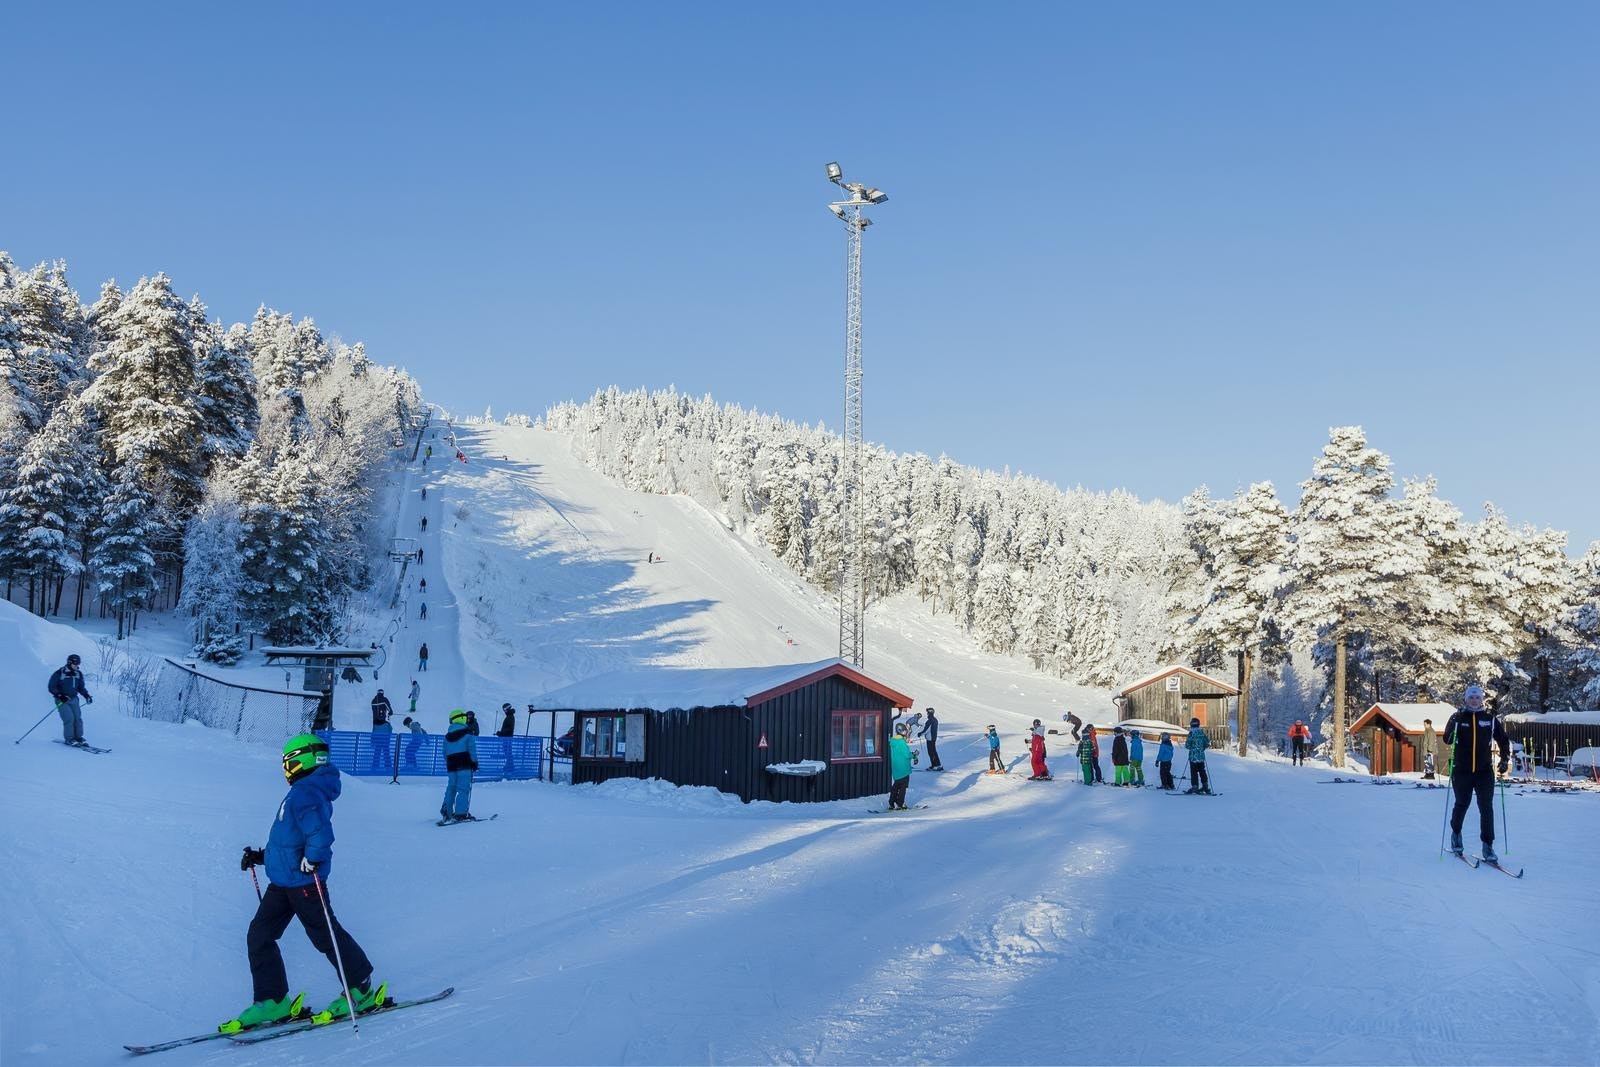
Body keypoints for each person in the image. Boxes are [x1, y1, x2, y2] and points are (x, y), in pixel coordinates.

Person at [225, 735, 384, 1033]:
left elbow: (321, 834)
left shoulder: (307, 792)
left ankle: (360, 989)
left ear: (307, 759)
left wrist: (313, 858)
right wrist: (261, 857)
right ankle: (273, 1000)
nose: (286, 768)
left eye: (290, 761)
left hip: (305, 882)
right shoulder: (302, 791)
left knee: (326, 936)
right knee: (259, 934)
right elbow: (289, 839)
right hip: (284, 881)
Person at [1444, 684, 1509, 860]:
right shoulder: (1458, 717)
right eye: (1471, 697)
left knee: (1486, 808)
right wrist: (1453, 722)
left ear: (1482, 700)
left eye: (1477, 697)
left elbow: (1503, 741)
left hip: (1484, 772)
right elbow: (1447, 740)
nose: (1474, 700)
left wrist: (1504, 760)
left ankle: (1488, 846)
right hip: (1462, 771)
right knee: (1462, 804)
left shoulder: (1489, 719)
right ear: (1466, 699)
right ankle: (1456, 834)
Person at [47, 653, 94, 746]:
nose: (77, 666)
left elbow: (81, 687)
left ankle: (78, 737)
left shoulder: (78, 674)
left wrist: (87, 696)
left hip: (74, 699)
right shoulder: (59, 673)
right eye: (75, 664)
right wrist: (60, 696)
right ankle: (69, 739)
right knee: (69, 718)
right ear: (69, 663)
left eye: (78, 664)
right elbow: (51, 687)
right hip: (62, 700)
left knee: (77, 718)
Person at [441, 710, 479, 821]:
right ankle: (461, 813)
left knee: (451, 787)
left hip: (451, 766)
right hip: (465, 766)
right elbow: (472, 750)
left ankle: (446, 811)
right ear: (462, 718)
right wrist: (475, 763)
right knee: (463, 789)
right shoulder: (468, 734)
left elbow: (444, 753)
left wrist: (449, 762)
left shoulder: (447, 737)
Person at [887, 723, 914, 810]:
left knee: (896, 785)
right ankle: (900, 803)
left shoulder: (893, 741)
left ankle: (892, 802)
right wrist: (913, 754)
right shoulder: (901, 742)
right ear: (901, 732)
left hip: (896, 768)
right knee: (903, 787)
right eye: (904, 731)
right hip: (904, 768)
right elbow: (907, 754)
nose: (905, 733)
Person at [1185, 718, 1211, 794]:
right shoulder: (1201, 733)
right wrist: (1202, 748)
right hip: (1201, 757)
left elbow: (1187, 745)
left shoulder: (1191, 734)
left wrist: (1192, 748)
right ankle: (1205, 786)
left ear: (1191, 725)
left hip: (1193, 757)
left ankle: (1195, 786)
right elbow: (1207, 743)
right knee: (1202, 771)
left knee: (1194, 772)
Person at [370, 690, 394, 772]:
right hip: (384, 727)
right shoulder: (384, 700)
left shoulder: (373, 701)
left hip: (376, 726)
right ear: (383, 693)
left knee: (377, 750)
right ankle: (388, 766)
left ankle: (375, 766)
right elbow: (390, 710)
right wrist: (390, 712)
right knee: (386, 750)